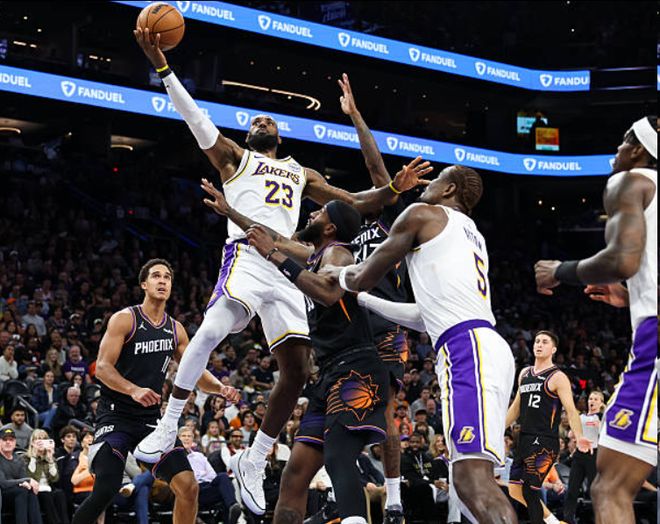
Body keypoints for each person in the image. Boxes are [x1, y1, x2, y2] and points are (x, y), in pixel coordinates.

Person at [133, 28, 431, 517]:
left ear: (279, 135)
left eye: (268, 118)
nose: (263, 120)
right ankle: (169, 422)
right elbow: (195, 117)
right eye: (256, 119)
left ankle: (255, 457)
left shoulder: (301, 173)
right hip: (248, 257)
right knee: (210, 329)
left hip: (287, 266)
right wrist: (162, 67)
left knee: (298, 370)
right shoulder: (235, 158)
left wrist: (392, 189)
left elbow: (354, 202)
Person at [332, 165, 519, 523]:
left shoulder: (422, 214)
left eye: (436, 179)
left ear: (449, 189)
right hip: (482, 344)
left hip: (467, 349)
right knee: (467, 477)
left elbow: (362, 275)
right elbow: (425, 316)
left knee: (471, 479)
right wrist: (367, 301)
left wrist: (336, 274)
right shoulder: (471, 233)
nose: (426, 184)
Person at [535, 115, 657, 524]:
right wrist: (631, 295)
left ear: (638, 149)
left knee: (610, 487)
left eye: (622, 141)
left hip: (655, 337)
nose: (617, 151)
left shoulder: (632, 180)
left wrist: (561, 270)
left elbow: (622, 258)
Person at [246, 198, 389, 524]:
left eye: (320, 211)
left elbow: (327, 292)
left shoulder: (339, 253)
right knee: (294, 475)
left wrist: (273, 255)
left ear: (330, 227)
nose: (311, 213)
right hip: (329, 374)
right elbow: (274, 238)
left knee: (339, 458)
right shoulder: (315, 257)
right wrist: (230, 212)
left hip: (356, 370)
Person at [71, 259, 241, 524]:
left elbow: (195, 370)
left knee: (188, 487)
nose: (162, 281)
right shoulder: (125, 319)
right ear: (144, 284)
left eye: (167, 277)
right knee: (107, 487)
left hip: (150, 421)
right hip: (115, 417)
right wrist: (133, 390)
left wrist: (220, 387)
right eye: (156, 276)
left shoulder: (175, 329)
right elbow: (102, 368)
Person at [339, 73, 411, 524]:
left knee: (383, 412)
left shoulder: (391, 219)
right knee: (340, 414)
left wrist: (355, 115)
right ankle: (345, 494)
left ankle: (396, 498)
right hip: (351, 326)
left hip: (387, 325)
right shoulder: (340, 235)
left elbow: (375, 166)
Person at [505, 330, 592, 524]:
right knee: (515, 490)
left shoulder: (558, 377)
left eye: (544, 342)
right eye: (537, 341)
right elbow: (516, 407)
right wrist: (497, 429)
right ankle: (554, 522)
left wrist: (579, 436)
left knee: (529, 490)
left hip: (544, 440)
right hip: (525, 439)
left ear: (553, 349)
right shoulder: (524, 373)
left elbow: (571, 410)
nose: (539, 344)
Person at [178, 426, 242, 524]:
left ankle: (233, 507)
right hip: (191, 491)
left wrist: (204, 478)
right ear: (178, 439)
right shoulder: (175, 457)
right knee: (224, 491)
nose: (187, 438)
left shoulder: (199, 456)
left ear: (192, 439)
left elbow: (212, 475)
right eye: (184, 436)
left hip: (206, 487)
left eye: (189, 436)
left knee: (223, 477)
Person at [564, 390, 604, 523]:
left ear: (601, 403)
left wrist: (600, 424)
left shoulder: (602, 417)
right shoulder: (581, 417)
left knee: (594, 490)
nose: (592, 401)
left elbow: (605, 435)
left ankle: (599, 519)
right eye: (591, 398)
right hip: (580, 454)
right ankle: (568, 519)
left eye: (596, 399)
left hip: (594, 454)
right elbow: (570, 434)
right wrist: (574, 431)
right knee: (572, 489)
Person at [24, 429, 69, 524]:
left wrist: (50, 459)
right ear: (32, 443)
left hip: (48, 488)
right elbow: (31, 476)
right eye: (38, 439)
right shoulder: (26, 458)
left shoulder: (49, 457)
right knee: (46, 495)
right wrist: (34, 456)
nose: (41, 442)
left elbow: (55, 478)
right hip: (34, 490)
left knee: (60, 494)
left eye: (44, 439)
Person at [0, 427, 43, 523]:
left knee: (29, 490)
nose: (8, 442)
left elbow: (23, 479)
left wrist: (26, 482)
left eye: (11, 440)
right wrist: (27, 480)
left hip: (17, 495)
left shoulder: (18, 459)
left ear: (15, 442)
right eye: (4, 440)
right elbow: (3, 483)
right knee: (22, 491)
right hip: (2, 496)